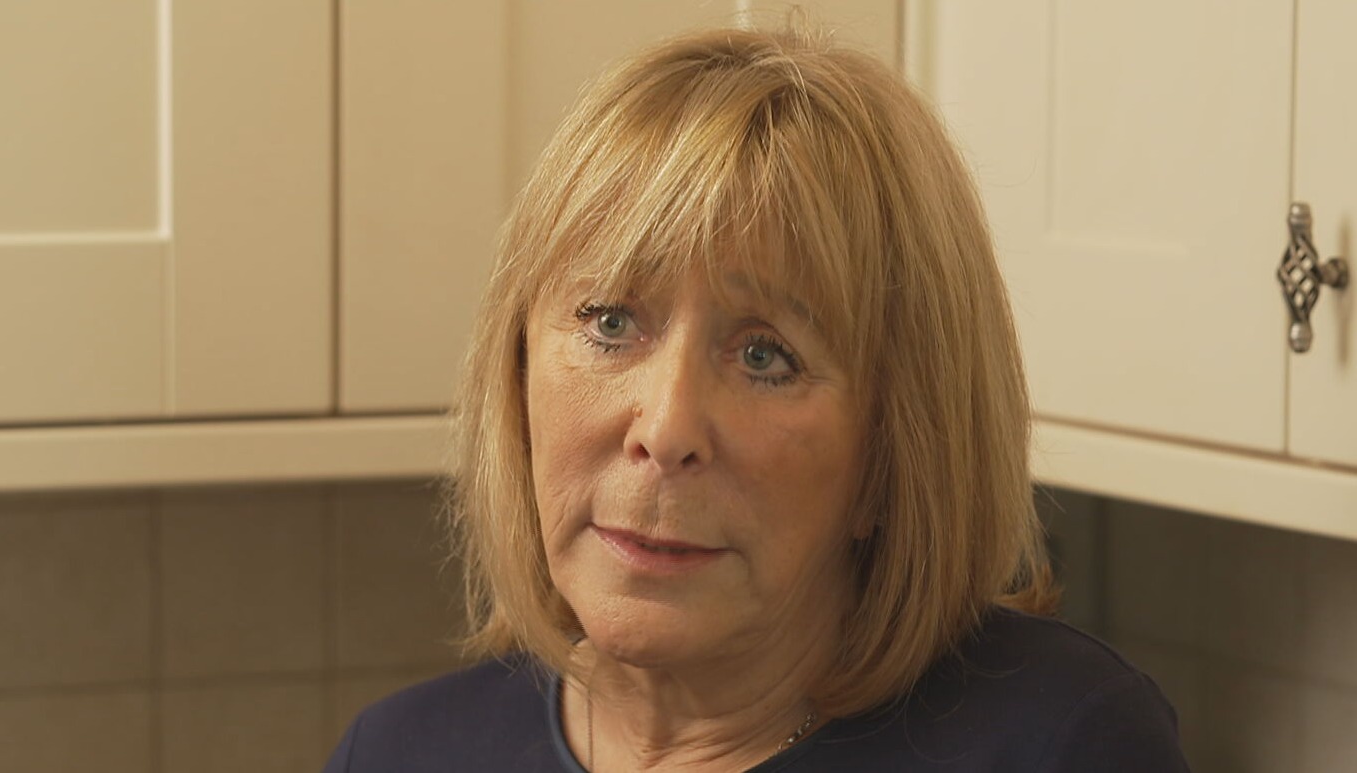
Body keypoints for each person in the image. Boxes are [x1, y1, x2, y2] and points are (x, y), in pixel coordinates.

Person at [324, 21, 1190, 773]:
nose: (666, 428)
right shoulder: (399, 751)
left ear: (894, 450)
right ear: (514, 373)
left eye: (765, 356)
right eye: (611, 322)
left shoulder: (1060, 741)